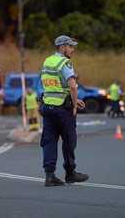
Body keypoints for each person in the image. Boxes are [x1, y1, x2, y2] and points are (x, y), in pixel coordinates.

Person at [40, 35, 89, 187]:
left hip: (47, 107)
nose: (73, 50)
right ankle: (70, 173)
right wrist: (74, 105)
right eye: (71, 46)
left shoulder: (48, 61)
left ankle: (49, 176)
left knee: (49, 141)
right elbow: (72, 86)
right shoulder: (65, 62)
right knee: (69, 140)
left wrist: (73, 99)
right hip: (63, 109)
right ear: (62, 47)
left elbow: (53, 85)